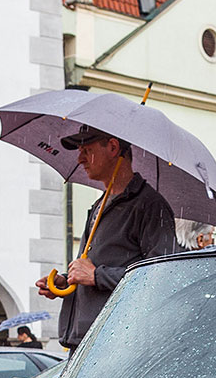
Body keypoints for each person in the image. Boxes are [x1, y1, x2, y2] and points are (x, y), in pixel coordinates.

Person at [35, 127, 176, 351]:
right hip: (84, 344)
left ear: (112, 147)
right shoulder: (100, 205)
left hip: (119, 346)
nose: (80, 159)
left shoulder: (150, 206)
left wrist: (96, 275)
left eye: (86, 150)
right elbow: (102, 267)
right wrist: (67, 281)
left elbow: (162, 275)